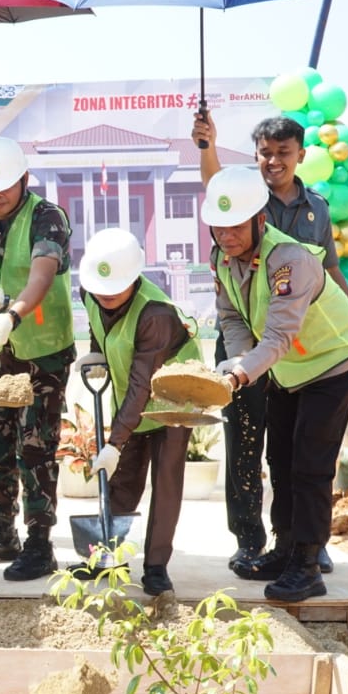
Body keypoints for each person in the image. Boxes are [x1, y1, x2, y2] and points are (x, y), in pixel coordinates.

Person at [193, 112, 348, 573]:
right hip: (284, 364)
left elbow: (280, 331)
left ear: (259, 218)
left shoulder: (290, 254)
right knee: (279, 457)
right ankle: (282, 547)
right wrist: (236, 358)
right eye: (219, 227)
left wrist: (241, 369)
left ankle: (308, 563)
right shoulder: (225, 251)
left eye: (236, 227)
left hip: (328, 361)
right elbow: (232, 313)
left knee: (310, 463)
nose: (227, 236)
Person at [0, 136, 76, 581]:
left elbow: (43, 275)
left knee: (36, 447)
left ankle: (40, 543)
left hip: (45, 351)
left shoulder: (48, 217)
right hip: (0, 351)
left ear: (24, 179)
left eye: (4, 185)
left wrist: (12, 313)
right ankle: (0, 532)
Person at [76, 228, 203, 595]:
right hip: (133, 396)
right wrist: (97, 351)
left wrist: (114, 442)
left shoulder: (156, 314)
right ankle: (105, 557)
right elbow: (102, 332)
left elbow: (141, 384)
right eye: (101, 287)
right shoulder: (91, 291)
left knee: (165, 481)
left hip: (173, 399)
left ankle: (156, 567)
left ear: (135, 277)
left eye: (117, 286)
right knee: (123, 480)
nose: (107, 294)